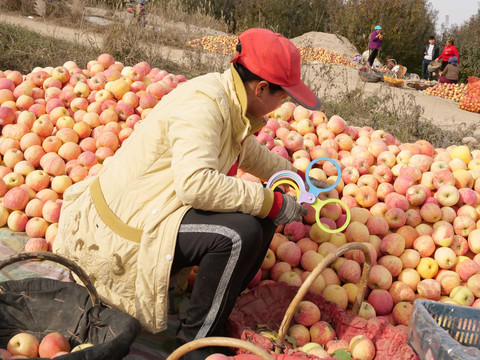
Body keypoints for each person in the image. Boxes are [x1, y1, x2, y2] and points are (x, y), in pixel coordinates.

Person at [53, 28, 324, 360]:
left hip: (159, 206)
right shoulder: (204, 105)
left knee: (263, 216)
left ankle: (217, 308)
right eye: (283, 97)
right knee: (239, 234)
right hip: (125, 227)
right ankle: (194, 346)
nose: (283, 104)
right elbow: (195, 184)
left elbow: (248, 153)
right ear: (261, 88)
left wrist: (294, 180)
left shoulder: (230, 99)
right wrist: (272, 201)